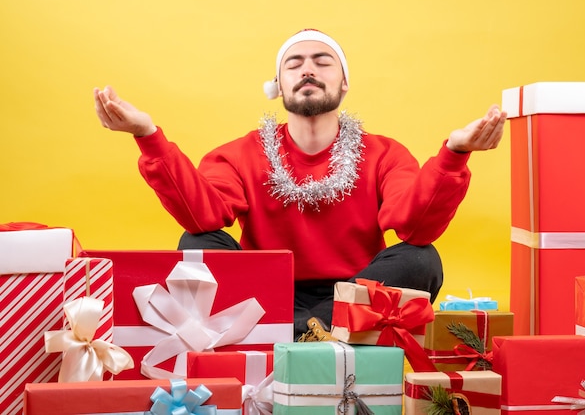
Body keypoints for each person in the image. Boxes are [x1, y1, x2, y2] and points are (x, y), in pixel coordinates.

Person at [94, 29, 506, 340]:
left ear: (344, 82)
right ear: (280, 87)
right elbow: (203, 217)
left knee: (421, 259)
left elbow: (416, 228)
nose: (308, 68)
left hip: (355, 291)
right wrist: (148, 136)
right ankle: (318, 331)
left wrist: (454, 152)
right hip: (265, 291)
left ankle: (290, 334)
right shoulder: (238, 154)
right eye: (295, 63)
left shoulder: (384, 153)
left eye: (322, 61)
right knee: (197, 244)